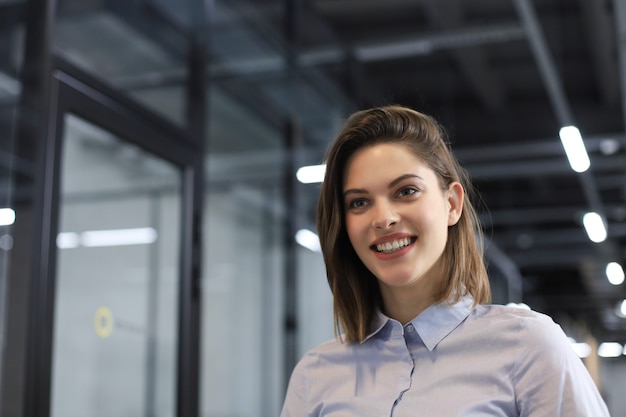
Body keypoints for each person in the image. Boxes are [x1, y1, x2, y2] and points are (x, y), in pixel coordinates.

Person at [280, 105, 611, 416]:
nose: (383, 218)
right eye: (359, 202)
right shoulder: (315, 374)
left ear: (452, 203)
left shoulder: (528, 347)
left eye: (406, 191)